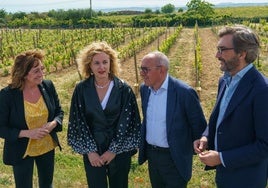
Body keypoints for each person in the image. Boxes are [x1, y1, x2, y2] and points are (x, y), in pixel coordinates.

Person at [193, 25, 268, 188]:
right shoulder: (225, 80)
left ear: (242, 53)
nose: (216, 55)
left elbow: (265, 145)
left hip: (246, 179)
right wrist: (206, 136)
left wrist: (221, 158)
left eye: (222, 49)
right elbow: (220, 118)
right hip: (225, 175)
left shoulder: (262, 90)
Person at [67, 41, 141, 188]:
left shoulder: (123, 89)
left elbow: (129, 122)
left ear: (111, 63)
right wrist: (90, 151)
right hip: (93, 150)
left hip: (119, 150)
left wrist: (113, 150)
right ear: (89, 66)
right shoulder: (81, 89)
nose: (101, 67)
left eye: (105, 62)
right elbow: (78, 121)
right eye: (96, 63)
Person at [138, 51, 207, 188]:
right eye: (141, 69)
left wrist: (190, 150)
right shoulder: (145, 89)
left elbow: (198, 126)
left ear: (162, 70)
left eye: (146, 69)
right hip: (153, 156)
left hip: (174, 158)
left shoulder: (184, 93)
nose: (142, 73)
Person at [0, 49, 64, 188]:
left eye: (42, 69)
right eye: (36, 71)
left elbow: (59, 112)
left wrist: (52, 124)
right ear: (23, 73)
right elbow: (1, 128)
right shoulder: (7, 95)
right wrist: (28, 133)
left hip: (46, 146)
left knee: (47, 184)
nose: (41, 73)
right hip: (22, 149)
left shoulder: (48, 86)